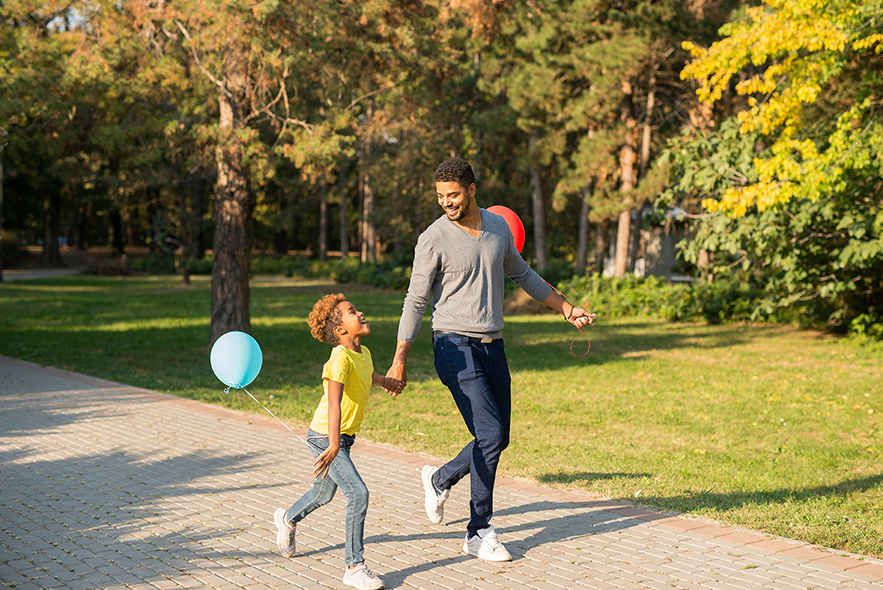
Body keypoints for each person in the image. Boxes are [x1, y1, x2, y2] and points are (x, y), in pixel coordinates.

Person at [386, 158, 595, 562]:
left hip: (492, 344)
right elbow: (415, 300)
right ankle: (479, 531)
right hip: (452, 345)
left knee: (498, 436)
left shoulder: (497, 228)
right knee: (491, 435)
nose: (447, 203)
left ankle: (440, 478)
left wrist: (566, 308)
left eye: (454, 195)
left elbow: (524, 275)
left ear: (472, 189)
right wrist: (400, 359)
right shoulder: (432, 238)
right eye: (441, 197)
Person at [274, 293, 403, 590]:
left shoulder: (363, 352)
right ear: (340, 330)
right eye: (352, 312)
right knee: (358, 493)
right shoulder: (339, 358)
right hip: (325, 436)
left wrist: (387, 382)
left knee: (323, 493)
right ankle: (354, 567)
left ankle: (288, 519)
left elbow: (367, 375)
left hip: (341, 438)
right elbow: (334, 404)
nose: (360, 314)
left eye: (356, 310)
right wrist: (332, 445)